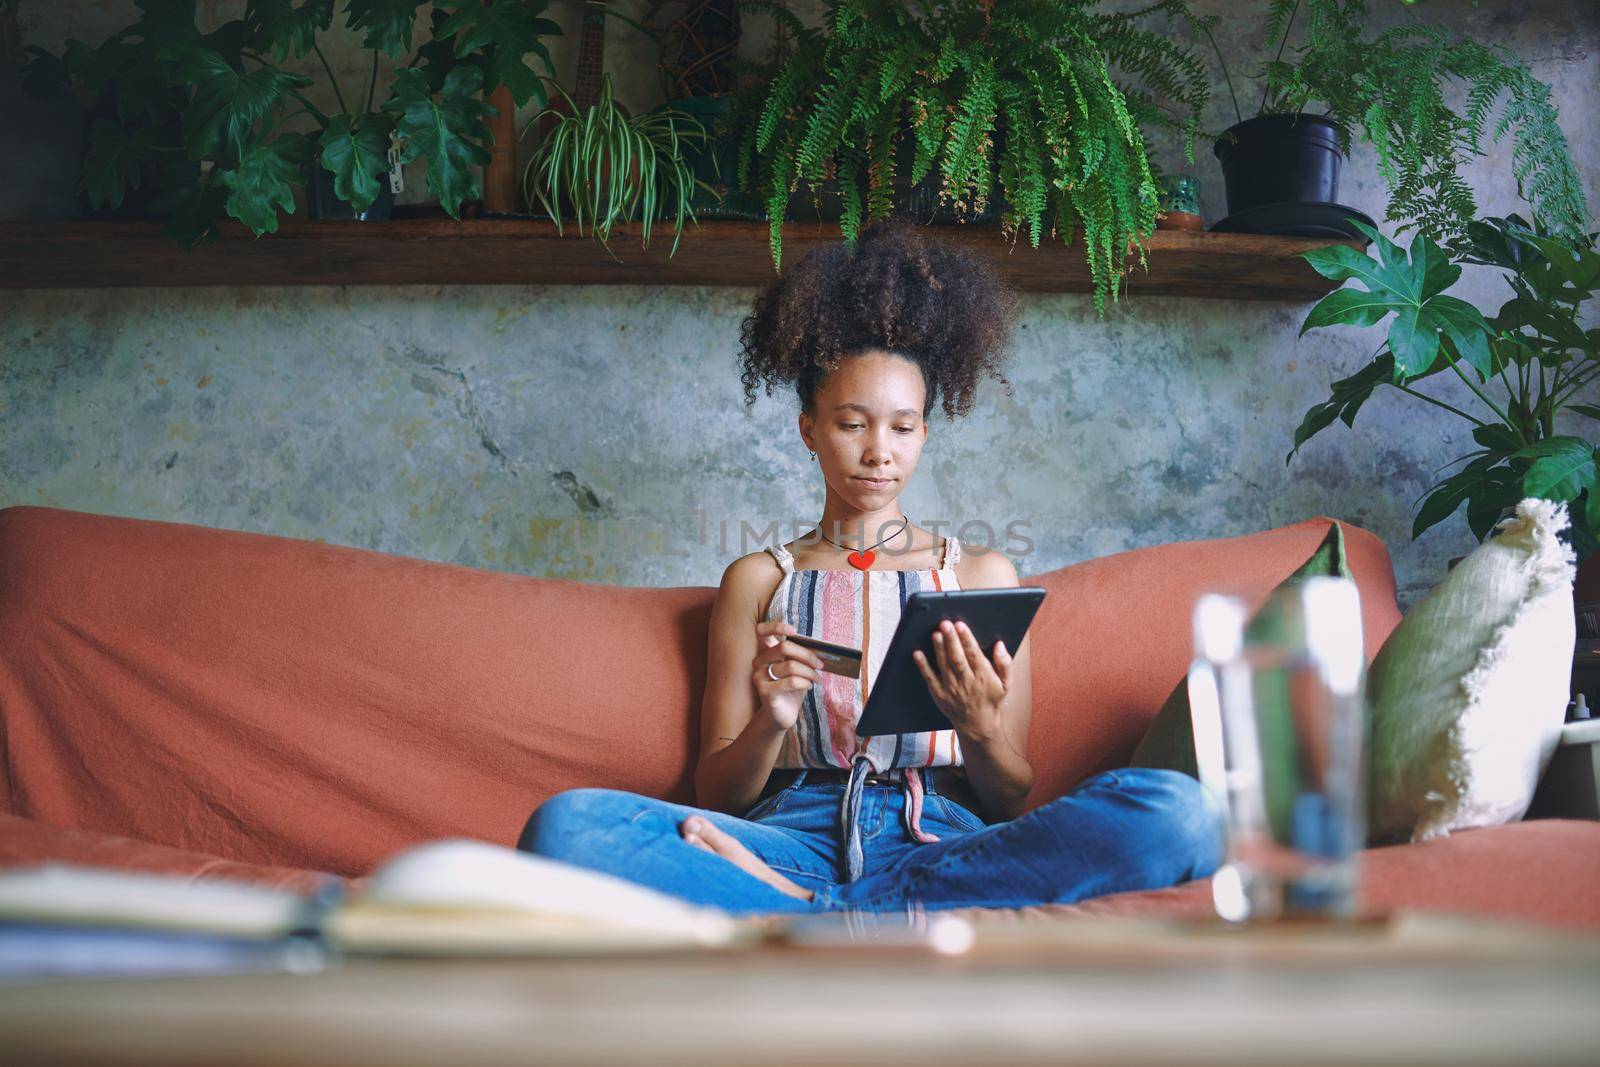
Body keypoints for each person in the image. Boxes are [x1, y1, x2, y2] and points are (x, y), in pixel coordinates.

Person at [517, 218, 1226, 915]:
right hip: (783, 840)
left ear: (925, 431)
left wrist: (979, 726)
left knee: (1182, 813)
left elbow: (1012, 795)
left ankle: (821, 910)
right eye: (852, 423)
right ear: (810, 430)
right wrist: (772, 718)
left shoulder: (980, 575)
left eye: (903, 425)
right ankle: (862, 907)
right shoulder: (758, 581)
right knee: (566, 826)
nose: (879, 450)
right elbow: (718, 795)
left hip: (941, 843)